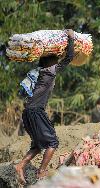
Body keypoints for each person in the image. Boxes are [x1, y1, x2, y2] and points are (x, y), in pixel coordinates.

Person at [14, 29, 75, 184]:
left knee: (37, 146)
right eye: (55, 59)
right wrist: (71, 38)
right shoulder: (50, 72)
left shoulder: (40, 71)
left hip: (28, 112)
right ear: (50, 63)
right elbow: (69, 57)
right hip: (35, 112)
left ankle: (20, 166)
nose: (57, 61)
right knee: (52, 142)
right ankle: (41, 172)